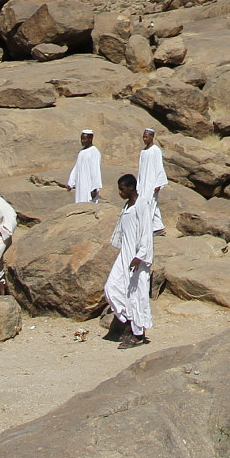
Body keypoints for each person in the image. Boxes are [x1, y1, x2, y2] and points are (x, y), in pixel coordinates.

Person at [103, 172, 159, 348]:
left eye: (122, 189)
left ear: (131, 188)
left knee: (137, 295)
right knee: (111, 288)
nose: (120, 193)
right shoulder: (127, 206)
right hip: (124, 256)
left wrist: (140, 256)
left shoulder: (142, 205)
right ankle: (128, 321)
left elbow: (146, 234)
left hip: (137, 258)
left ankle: (138, 335)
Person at [67, 129, 102, 205]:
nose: (82, 141)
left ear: (90, 139)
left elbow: (95, 170)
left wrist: (94, 187)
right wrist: (71, 182)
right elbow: (77, 167)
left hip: (89, 186)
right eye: (81, 139)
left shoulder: (94, 152)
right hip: (81, 184)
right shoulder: (82, 152)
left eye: (84, 139)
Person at [136, 127, 168, 203]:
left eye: (146, 137)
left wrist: (158, 184)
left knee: (150, 204)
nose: (144, 139)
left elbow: (159, 167)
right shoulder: (143, 151)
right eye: (143, 137)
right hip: (143, 183)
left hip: (152, 183)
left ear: (152, 137)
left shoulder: (155, 150)